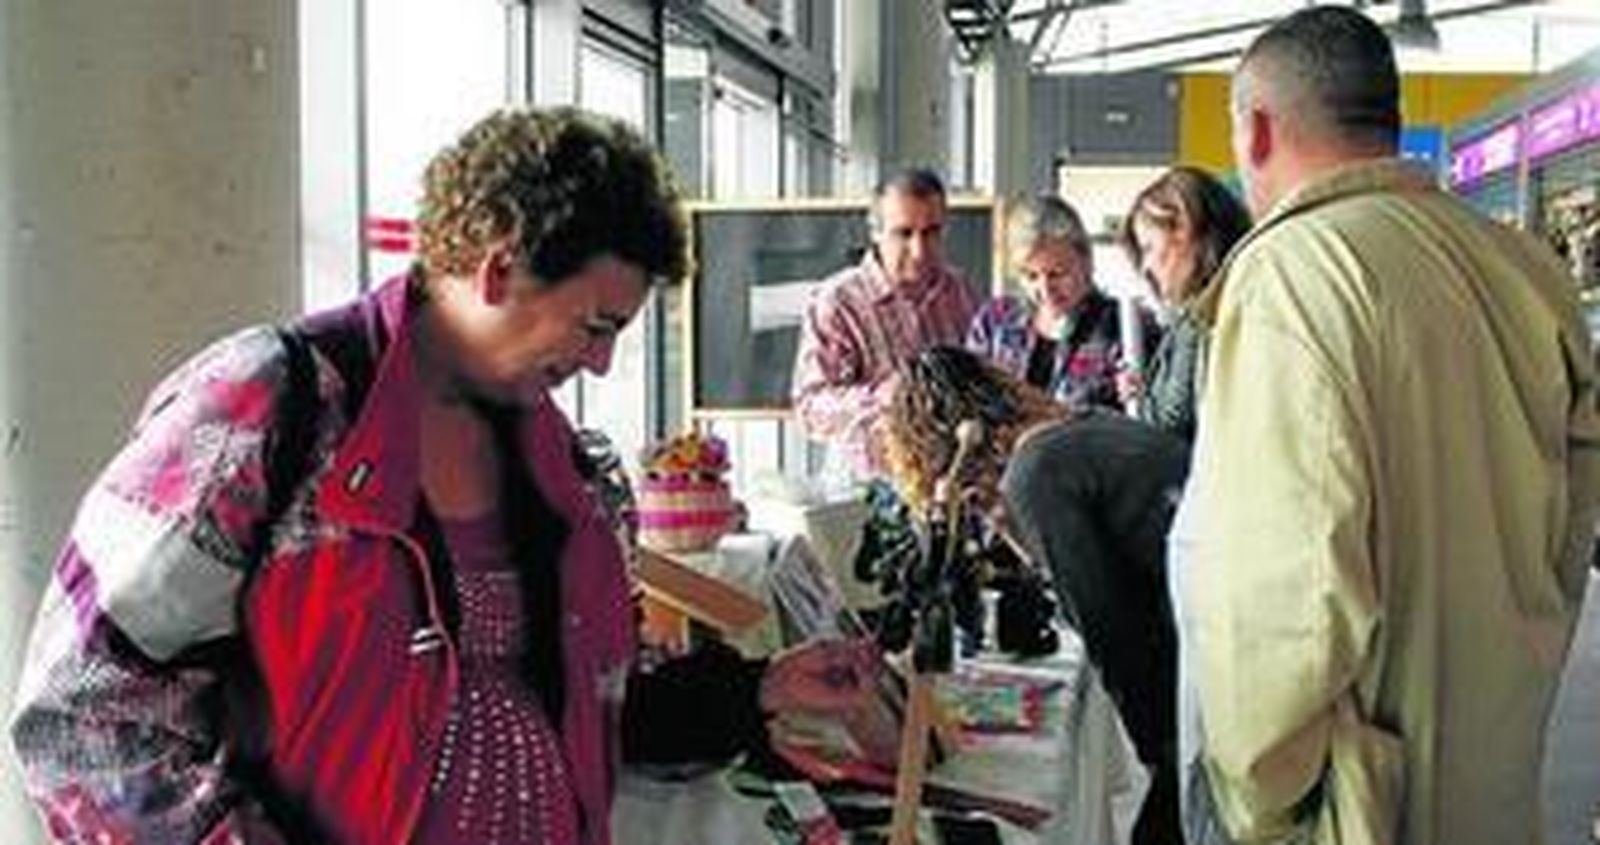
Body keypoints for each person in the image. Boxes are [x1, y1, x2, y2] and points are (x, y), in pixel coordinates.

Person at [8, 107, 879, 844]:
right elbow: (79, 715)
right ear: (499, 268)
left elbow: (573, 707)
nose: (604, 363)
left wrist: (756, 689)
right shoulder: (270, 407)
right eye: (595, 325)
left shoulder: (564, 466)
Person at [1174, 8, 1600, 845]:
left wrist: (1259, 807)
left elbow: (1282, 594)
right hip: (1497, 780)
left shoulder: (1289, 277)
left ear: (1256, 130)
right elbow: (1574, 526)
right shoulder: (1528, 270)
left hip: (1355, 808)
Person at [879, 346, 1190, 845]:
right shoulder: (1080, 427)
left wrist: (1159, 753)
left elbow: (1107, 628)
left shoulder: (1038, 471)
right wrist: (1008, 524)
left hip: (1202, 667)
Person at [792, 167, 978, 477]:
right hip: (869, 488)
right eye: (904, 233)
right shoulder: (838, 301)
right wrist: (889, 396)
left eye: (932, 232)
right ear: (875, 232)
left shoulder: (960, 291)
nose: (919, 250)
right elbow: (810, 409)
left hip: (952, 482)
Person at [1114, 166, 1251, 441]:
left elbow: (1171, 424)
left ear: (1185, 231)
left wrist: (1143, 398)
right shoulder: (1201, 309)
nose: (1146, 266)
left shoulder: (1202, 316)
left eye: (1149, 247)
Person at [967, 194, 1130, 413]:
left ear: (1086, 261)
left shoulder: (1122, 327)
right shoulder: (994, 322)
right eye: (1031, 276)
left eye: (1057, 274)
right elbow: (968, 402)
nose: (1045, 290)